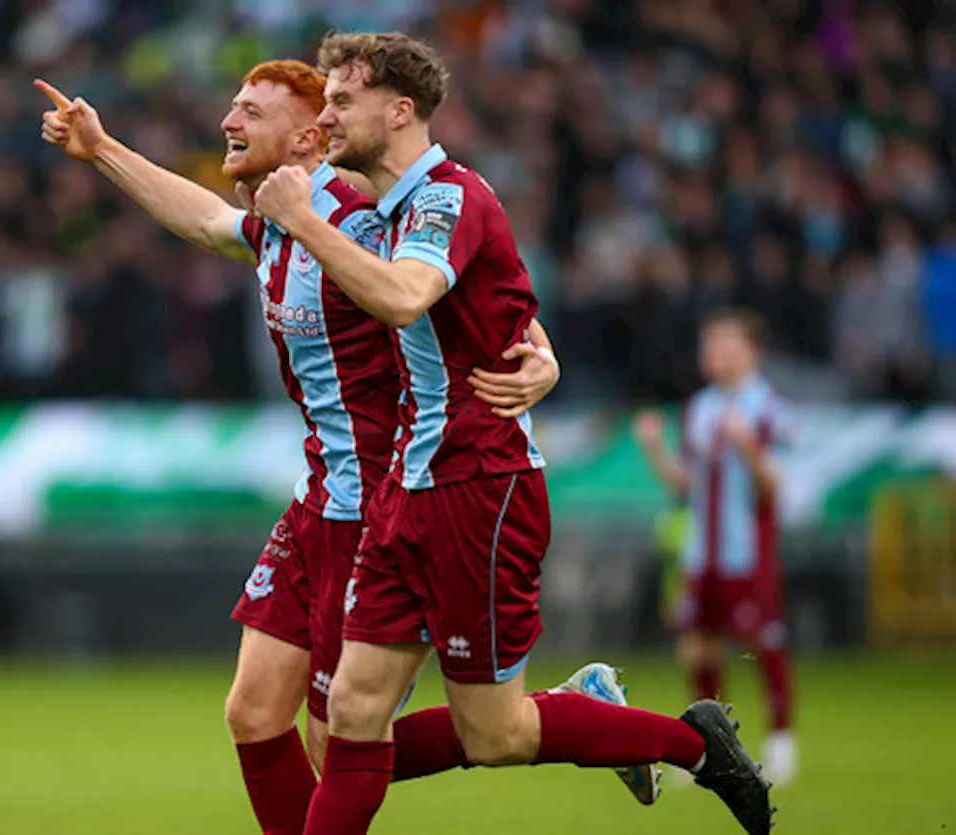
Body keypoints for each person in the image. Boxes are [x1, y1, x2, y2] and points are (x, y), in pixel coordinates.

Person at [36, 59, 654, 835]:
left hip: (383, 504)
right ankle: (566, 713)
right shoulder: (276, 216)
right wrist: (103, 150)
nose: (229, 121)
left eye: (251, 111)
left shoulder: (360, 207)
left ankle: (571, 714)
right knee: (254, 712)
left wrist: (543, 351)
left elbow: (469, 287)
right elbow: (202, 220)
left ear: (309, 134)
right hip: (319, 497)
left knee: (345, 744)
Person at [249, 32, 774, 835]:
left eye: (342, 99)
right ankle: (594, 711)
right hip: (406, 486)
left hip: (478, 486)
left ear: (399, 110)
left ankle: (691, 742)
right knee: (346, 719)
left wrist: (302, 222)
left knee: (495, 735)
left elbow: (403, 298)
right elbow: (503, 308)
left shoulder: (446, 197)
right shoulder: (383, 210)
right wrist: (544, 355)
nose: (327, 115)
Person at [635, 307, 797, 786]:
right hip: (700, 552)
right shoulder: (699, 408)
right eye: (711, 345)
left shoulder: (770, 409)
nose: (716, 354)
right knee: (697, 646)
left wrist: (748, 448)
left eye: (726, 345)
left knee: (762, 640)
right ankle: (704, 747)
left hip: (746, 551)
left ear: (753, 351)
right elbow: (688, 484)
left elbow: (777, 485)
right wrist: (654, 449)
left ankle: (782, 740)